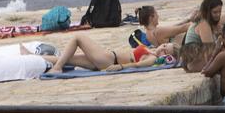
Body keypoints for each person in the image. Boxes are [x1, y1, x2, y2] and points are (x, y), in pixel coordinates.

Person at [43, 33, 177, 74]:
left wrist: (120, 67)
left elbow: (138, 65)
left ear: (165, 56)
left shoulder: (152, 58)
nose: (162, 48)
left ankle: (57, 68)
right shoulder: (152, 50)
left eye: (165, 50)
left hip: (109, 60)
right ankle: (31, 58)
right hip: (105, 60)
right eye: (164, 45)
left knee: (78, 38)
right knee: (66, 59)